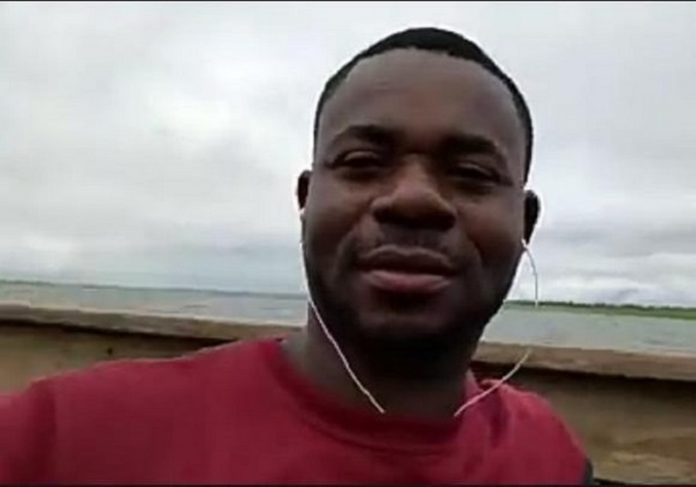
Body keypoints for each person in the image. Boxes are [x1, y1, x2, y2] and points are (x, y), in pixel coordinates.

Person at [0, 27, 593, 484]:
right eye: (362, 164)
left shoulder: (548, 457)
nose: (412, 199)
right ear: (306, 202)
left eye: (471, 174)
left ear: (525, 222)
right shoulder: (58, 439)